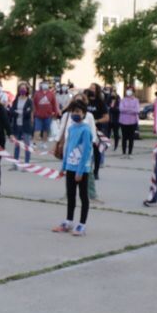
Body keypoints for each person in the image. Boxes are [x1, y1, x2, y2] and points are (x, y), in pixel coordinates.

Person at [54, 97, 96, 236]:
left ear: (84, 113)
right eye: (73, 111)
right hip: (70, 167)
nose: (75, 114)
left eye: (78, 111)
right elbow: (68, 148)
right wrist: (64, 166)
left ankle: (82, 225)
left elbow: (86, 151)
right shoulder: (71, 128)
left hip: (82, 169)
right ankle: (68, 221)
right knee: (71, 195)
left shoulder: (86, 130)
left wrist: (80, 170)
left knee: (83, 196)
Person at [116, 89, 141, 156]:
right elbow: (121, 109)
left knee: (131, 138)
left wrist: (127, 109)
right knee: (124, 137)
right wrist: (131, 109)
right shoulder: (123, 100)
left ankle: (130, 153)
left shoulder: (136, 100)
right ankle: (123, 152)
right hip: (123, 122)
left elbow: (137, 110)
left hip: (133, 122)